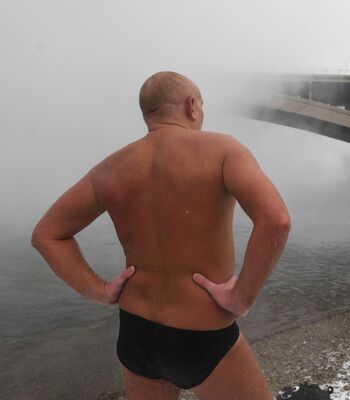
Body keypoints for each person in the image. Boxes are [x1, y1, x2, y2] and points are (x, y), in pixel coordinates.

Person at [31, 71, 291, 400]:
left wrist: (98, 290)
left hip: (136, 334)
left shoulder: (112, 167)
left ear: (148, 113)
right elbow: (275, 219)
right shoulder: (223, 150)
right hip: (203, 334)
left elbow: (47, 235)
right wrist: (242, 297)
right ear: (192, 106)